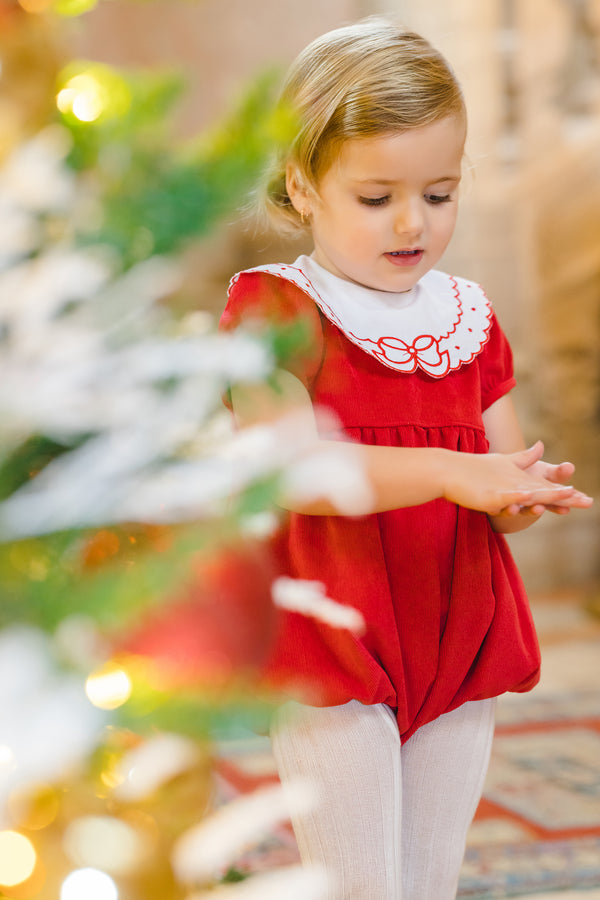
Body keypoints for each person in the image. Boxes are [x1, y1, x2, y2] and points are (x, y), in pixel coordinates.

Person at [219, 18, 593, 899]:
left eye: (439, 192)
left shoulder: (468, 316)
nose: (413, 221)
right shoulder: (274, 307)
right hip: (335, 643)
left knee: (427, 887)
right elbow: (295, 471)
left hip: (459, 631)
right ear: (303, 185)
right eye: (377, 195)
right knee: (362, 888)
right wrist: (449, 471)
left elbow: (494, 477)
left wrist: (518, 492)